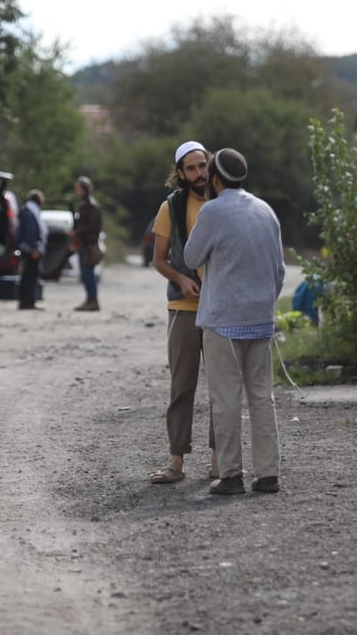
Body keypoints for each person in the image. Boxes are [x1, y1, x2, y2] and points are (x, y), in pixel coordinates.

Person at [183, 148, 286, 495]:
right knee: (261, 396)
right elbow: (279, 270)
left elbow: (191, 256)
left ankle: (230, 475)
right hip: (261, 318)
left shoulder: (212, 211)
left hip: (223, 321)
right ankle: (268, 473)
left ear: (214, 178)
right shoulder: (265, 210)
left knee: (226, 398)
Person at [147, 141, 216, 484]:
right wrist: (181, 279)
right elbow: (159, 259)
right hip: (183, 308)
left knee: (222, 386)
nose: (200, 173)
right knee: (182, 386)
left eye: (202, 165)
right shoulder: (170, 208)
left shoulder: (223, 200)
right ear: (179, 173)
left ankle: (221, 461)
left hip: (221, 308)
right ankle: (176, 462)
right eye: (191, 168)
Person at [71, 175, 103, 312]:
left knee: (88, 274)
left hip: (89, 245)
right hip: (83, 244)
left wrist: (77, 232)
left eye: (78, 187)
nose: (76, 190)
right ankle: (89, 299)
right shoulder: (84, 204)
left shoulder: (91, 205)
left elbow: (94, 226)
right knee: (84, 274)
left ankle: (93, 300)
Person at [17, 189, 47, 310]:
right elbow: (30, 232)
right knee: (30, 276)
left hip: (27, 247)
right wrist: (34, 248)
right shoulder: (30, 213)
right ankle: (28, 302)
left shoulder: (27, 211)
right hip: (30, 249)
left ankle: (26, 301)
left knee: (27, 275)